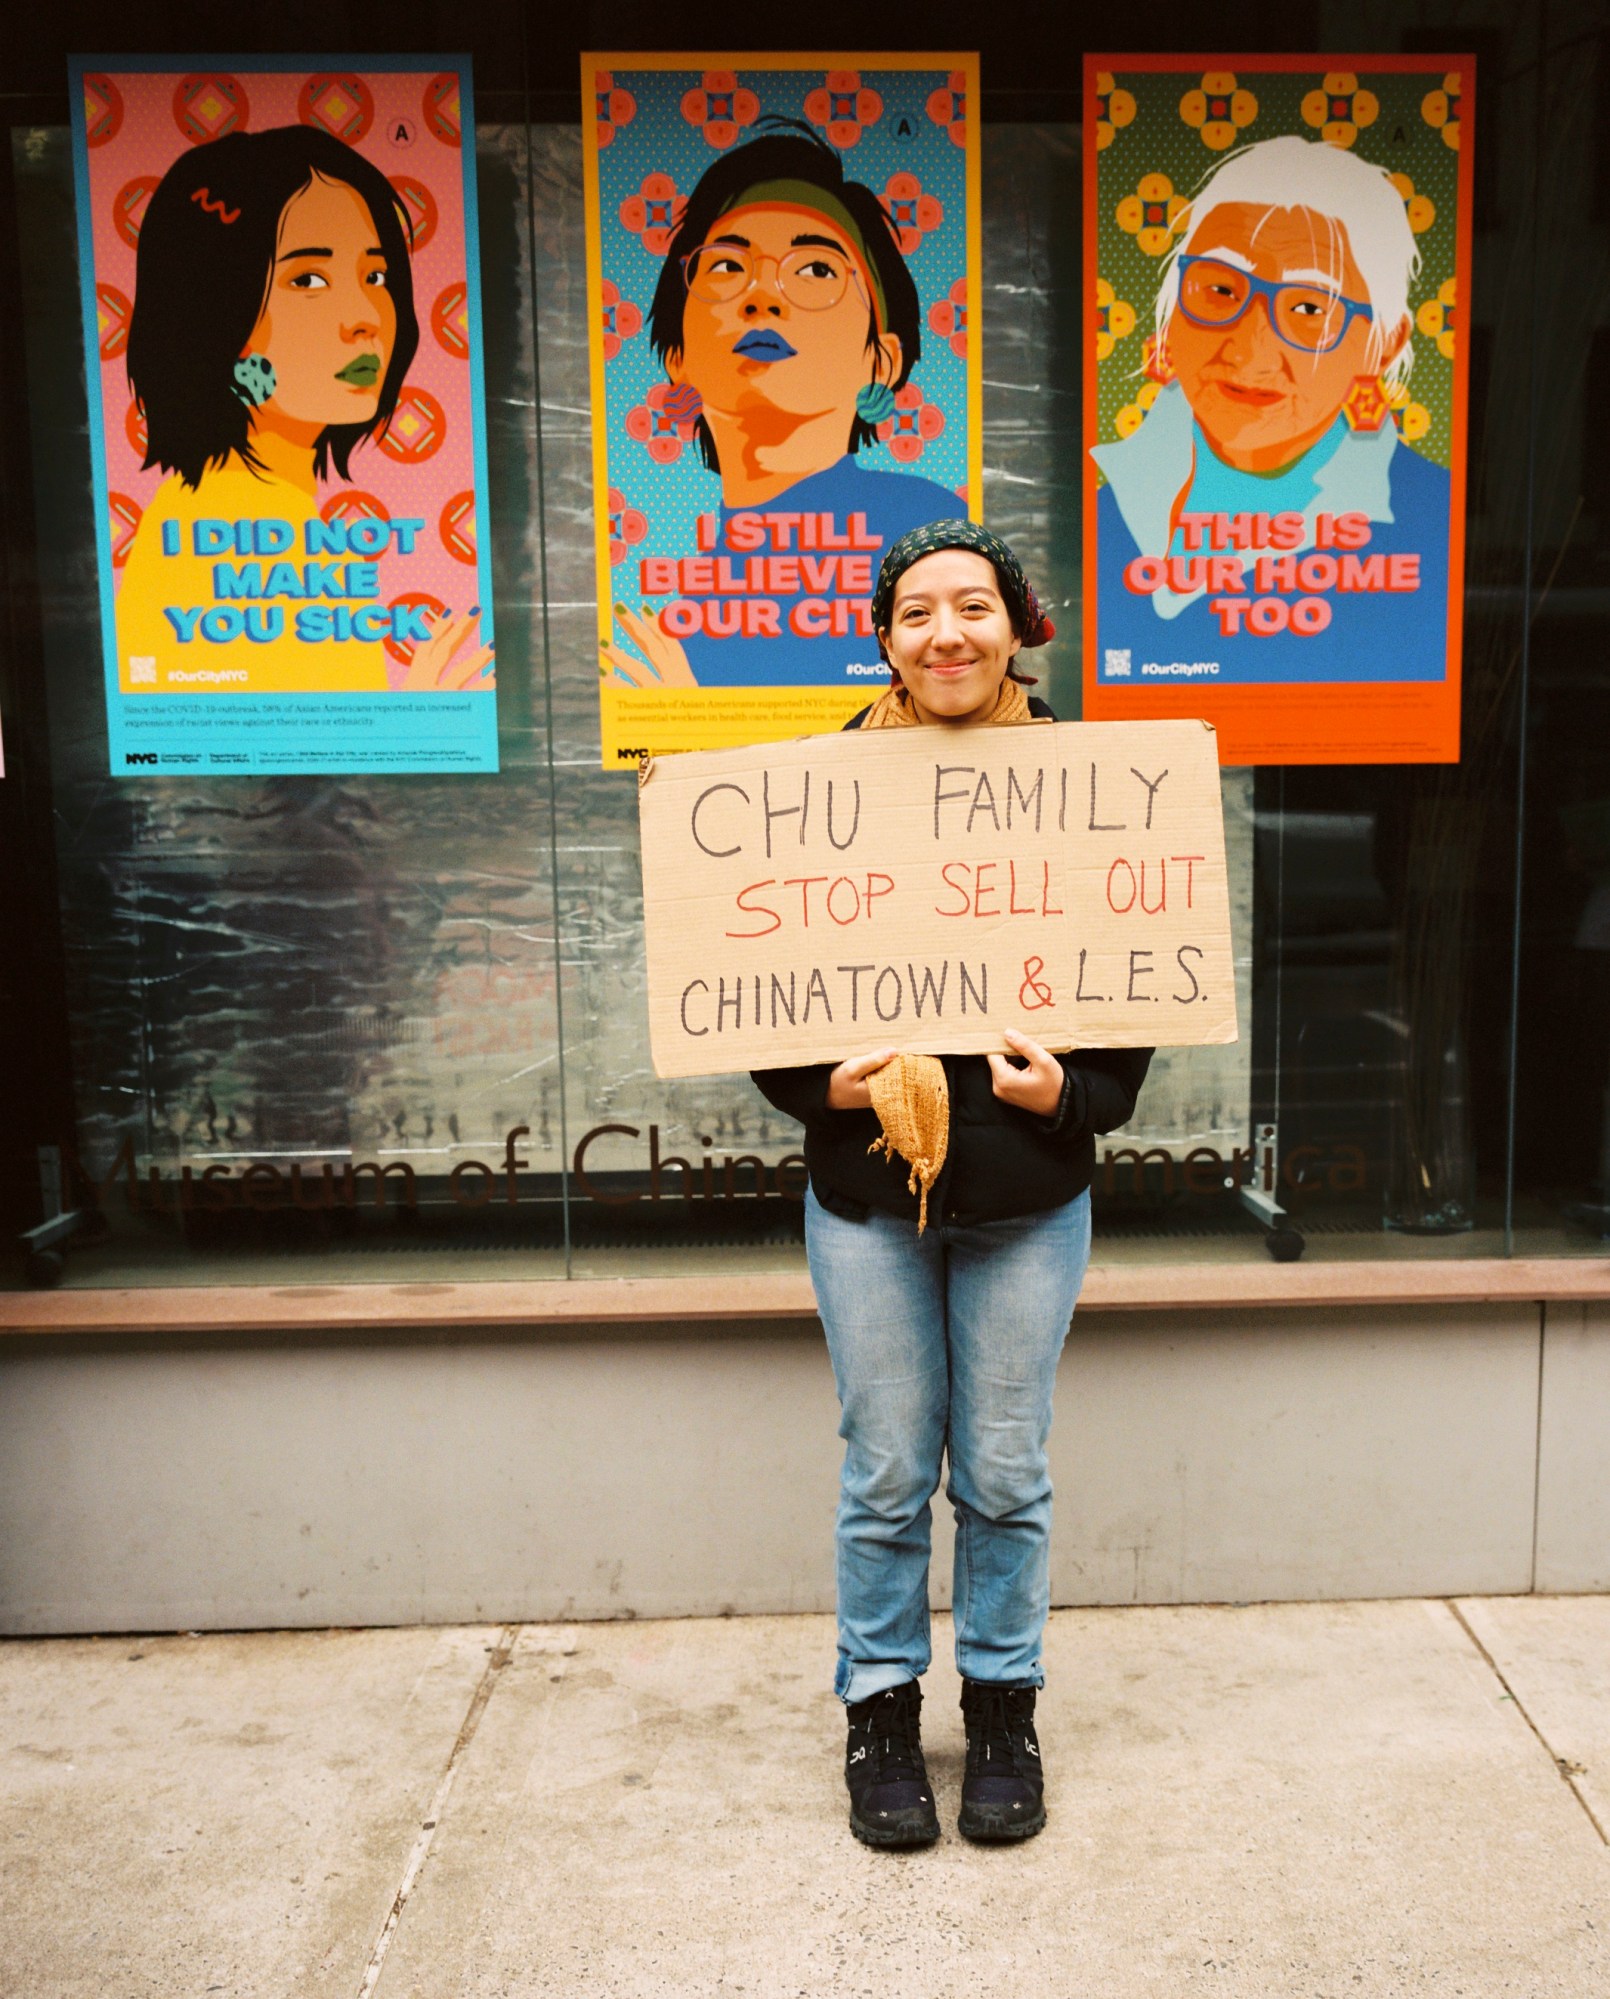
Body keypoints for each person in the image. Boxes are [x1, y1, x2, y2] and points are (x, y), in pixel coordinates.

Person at [752, 520, 1152, 1848]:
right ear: (884, 640)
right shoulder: (818, 790)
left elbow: (1136, 993)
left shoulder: (1087, 784)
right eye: (916, 611)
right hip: (867, 1198)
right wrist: (831, 1090)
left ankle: (999, 1710)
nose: (945, 632)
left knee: (1001, 1470)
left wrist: (1068, 1095)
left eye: (970, 606)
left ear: (1015, 625)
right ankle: (877, 1714)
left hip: (1027, 1201)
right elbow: (757, 1002)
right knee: (881, 1470)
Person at [118, 126, 490, 695]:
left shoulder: (246, 506)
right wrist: (415, 720)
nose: (365, 314)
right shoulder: (239, 516)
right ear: (216, 312)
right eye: (309, 278)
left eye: (376, 275)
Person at [603, 123, 959, 691]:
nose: (762, 296)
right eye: (726, 267)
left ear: (883, 360)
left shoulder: (926, 526)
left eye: (816, 270)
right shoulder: (668, 587)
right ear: (677, 356)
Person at [1092, 133, 1450, 683]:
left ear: (1384, 344)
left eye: (1309, 307)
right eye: (1220, 291)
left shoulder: (1421, 506)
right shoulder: (1102, 504)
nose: (1248, 351)